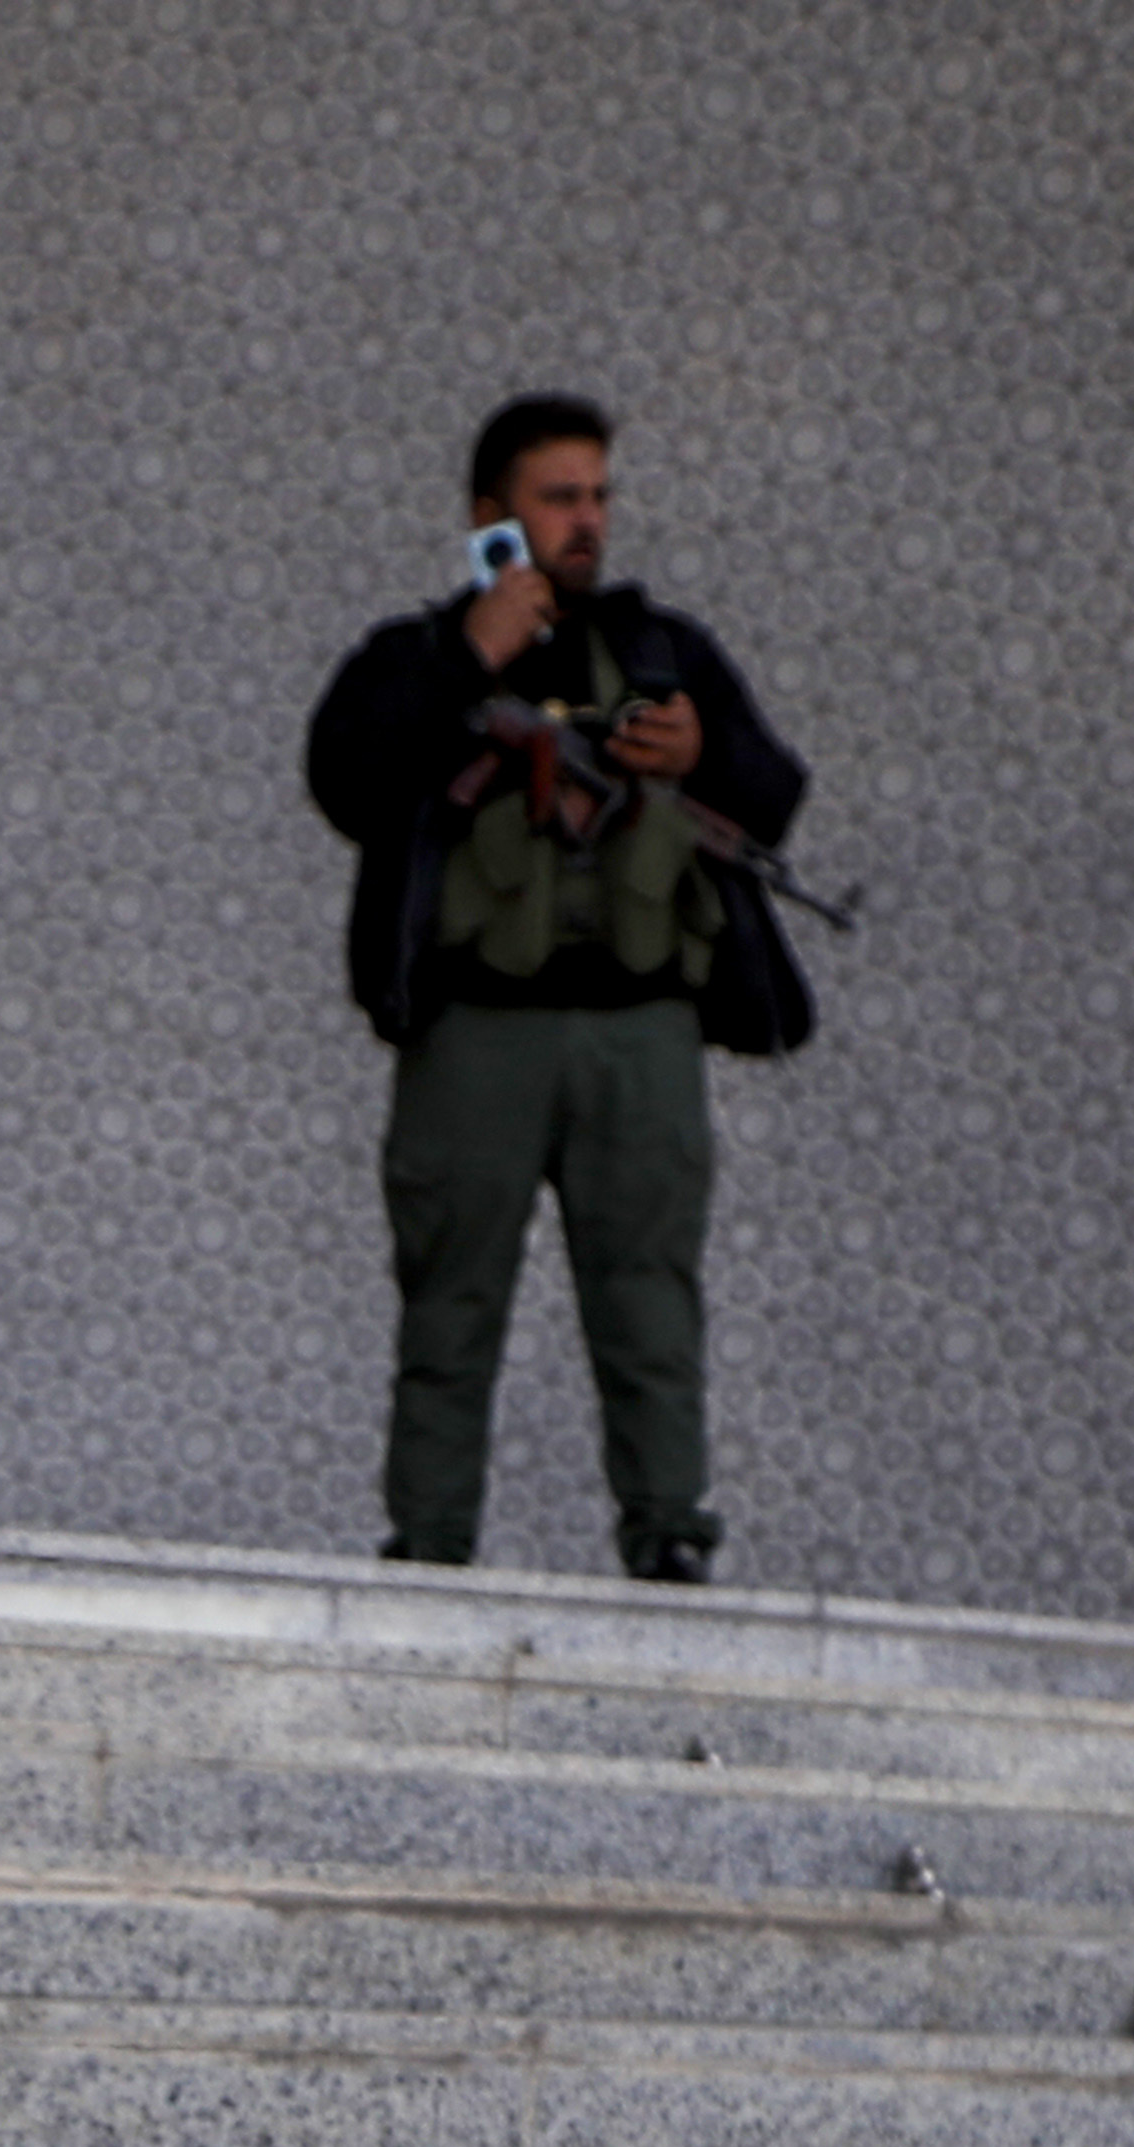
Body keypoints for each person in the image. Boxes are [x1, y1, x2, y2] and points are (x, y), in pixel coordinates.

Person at [302, 392, 812, 1582]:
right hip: (479, 1029)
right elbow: (345, 774)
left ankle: (670, 1534)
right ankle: (429, 1545)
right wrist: (465, 656)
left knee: (650, 1306)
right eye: (557, 498)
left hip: (642, 1029)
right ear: (492, 516)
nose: (587, 521)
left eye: (598, 497)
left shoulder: (665, 657)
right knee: (450, 1306)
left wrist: (701, 757)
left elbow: (772, 794)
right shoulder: (419, 655)